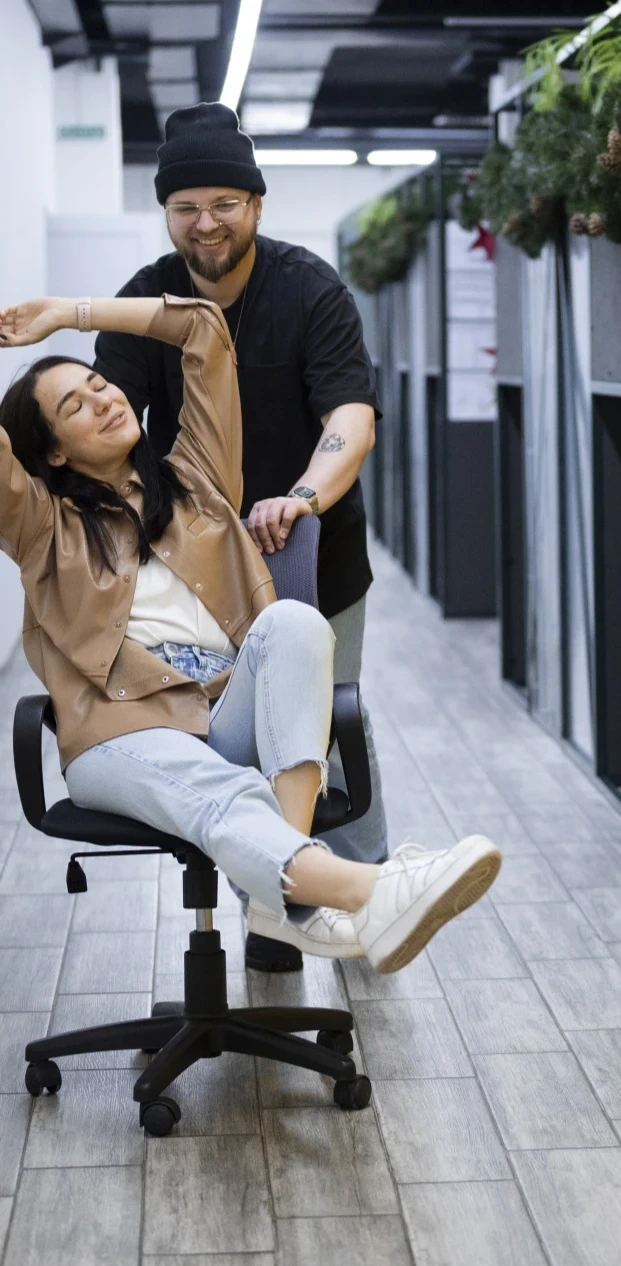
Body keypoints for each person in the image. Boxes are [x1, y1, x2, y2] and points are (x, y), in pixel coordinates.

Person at [0, 292, 502, 975]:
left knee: (292, 620)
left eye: (99, 383)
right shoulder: (39, 528)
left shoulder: (196, 479)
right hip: (122, 732)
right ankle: (368, 891)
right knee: (227, 791)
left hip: (225, 705)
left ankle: (275, 905)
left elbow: (201, 330)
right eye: (74, 407)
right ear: (52, 453)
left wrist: (69, 313)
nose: (104, 400)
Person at [94, 101, 389, 973]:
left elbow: (350, 415)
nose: (206, 222)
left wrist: (300, 495)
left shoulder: (310, 290)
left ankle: (369, 904)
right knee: (238, 735)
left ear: (255, 206)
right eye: (186, 206)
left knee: (335, 726)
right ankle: (277, 908)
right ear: (166, 213)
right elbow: (110, 429)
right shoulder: (146, 298)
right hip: (198, 576)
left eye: (224, 202)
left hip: (314, 556)